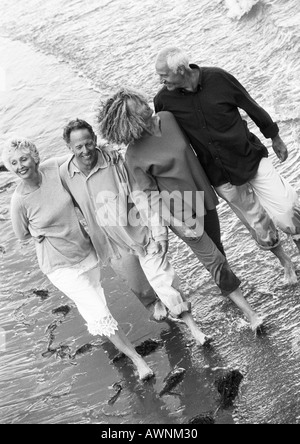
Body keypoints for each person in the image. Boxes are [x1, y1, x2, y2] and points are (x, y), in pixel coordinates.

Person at [96, 87, 263, 332]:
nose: (146, 105)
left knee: (217, 249)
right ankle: (251, 315)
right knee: (213, 259)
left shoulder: (169, 119)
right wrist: (175, 221)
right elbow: (151, 196)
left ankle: (227, 288)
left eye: (141, 101)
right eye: (138, 107)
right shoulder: (134, 155)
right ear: (130, 120)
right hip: (178, 210)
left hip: (201, 194)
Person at [3, 137, 154, 381]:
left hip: (85, 251)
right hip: (58, 266)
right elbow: (21, 235)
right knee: (99, 309)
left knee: (95, 298)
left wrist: (108, 147)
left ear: (35, 157)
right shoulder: (19, 200)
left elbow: (82, 157)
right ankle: (138, 360)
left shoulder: (53, 167)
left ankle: (103, 331)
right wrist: (38, 232)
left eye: (23, 158)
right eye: (13, 163)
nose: (20, 165)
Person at [154, 46, 300, 285]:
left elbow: (249, 104)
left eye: (164, 75)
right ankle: (286, 262)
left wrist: (274, 136)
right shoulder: (163, 100)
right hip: (219, 174)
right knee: (258, 224)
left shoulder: (218, 78)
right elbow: (167, 139)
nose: (160, 80)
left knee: (286, 208)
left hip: (249, 156)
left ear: (181, 70)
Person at [60, 118, 210, 346]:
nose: (85, 150)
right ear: (69, 148)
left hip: (138, 232)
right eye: (78, 146)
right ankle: (154, 304)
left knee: (163, 280)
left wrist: (158, 231)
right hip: (110, 243)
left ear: (95, 140)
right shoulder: (65, 173)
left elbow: (140, 195)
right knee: (138, 286)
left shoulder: (115, 161)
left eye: (89, 143)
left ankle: (193, 327)